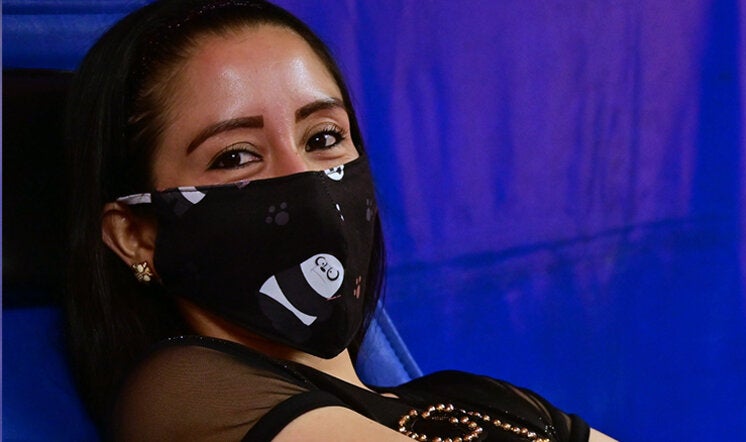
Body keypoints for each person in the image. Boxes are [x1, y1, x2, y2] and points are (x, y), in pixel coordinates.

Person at [62, 0, 615, 440]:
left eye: (323, 138)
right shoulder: (183, 393)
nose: (304, 181)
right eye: (235, 156)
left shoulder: (473, 397)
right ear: (137, 235)